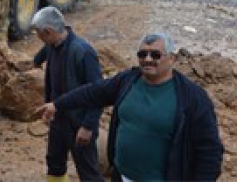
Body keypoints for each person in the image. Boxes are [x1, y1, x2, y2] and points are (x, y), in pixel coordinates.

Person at [36, 32, 224, 181]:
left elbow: (209, 151)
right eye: (142, 54)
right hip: (122, 176)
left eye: (156, 54)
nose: (148, 59)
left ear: (172, 59)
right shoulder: (127, 80)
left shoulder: (193, 98)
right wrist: (57, 104)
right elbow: (92, 93)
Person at [31, 6, 104, 182]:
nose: (38, 37)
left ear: (48, 31)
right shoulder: (51, 45)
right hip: (58, 118)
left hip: (78, 123)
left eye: (38, 33)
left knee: (88, 172)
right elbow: (38, 58)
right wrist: (35, 64)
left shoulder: (83, 52)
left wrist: (88, 126)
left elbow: (99, 93)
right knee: (55, 164)